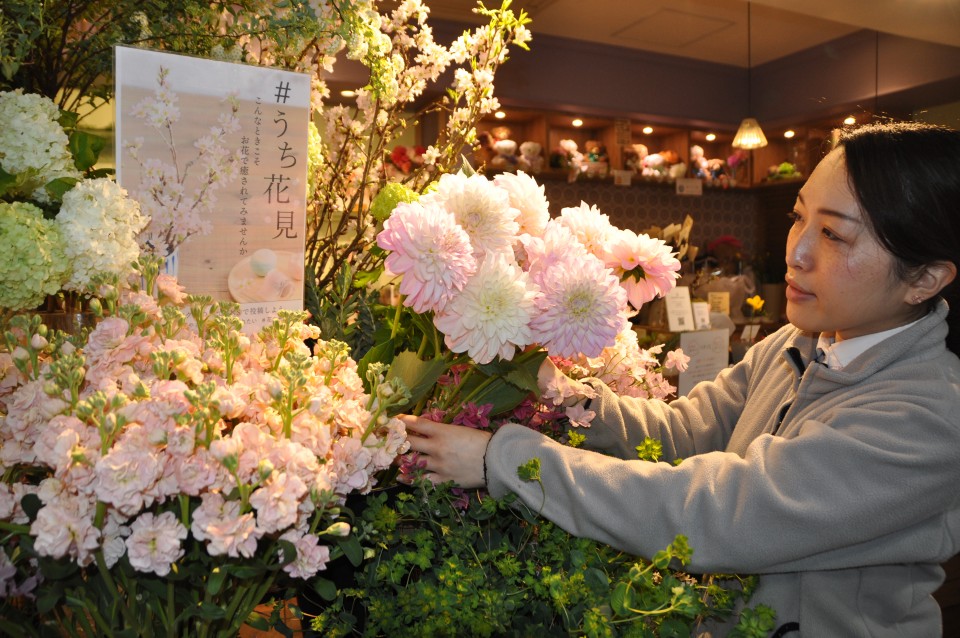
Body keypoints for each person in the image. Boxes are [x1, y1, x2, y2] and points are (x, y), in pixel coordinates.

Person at [401, 121, 960, 636]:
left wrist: (505, 460)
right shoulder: (798, 344)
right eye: (798, 217)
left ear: (926, 277)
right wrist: (550, 386)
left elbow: (721, 514)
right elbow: (682, 433)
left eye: (836, 235)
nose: (798, 251)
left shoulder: (927, 420)